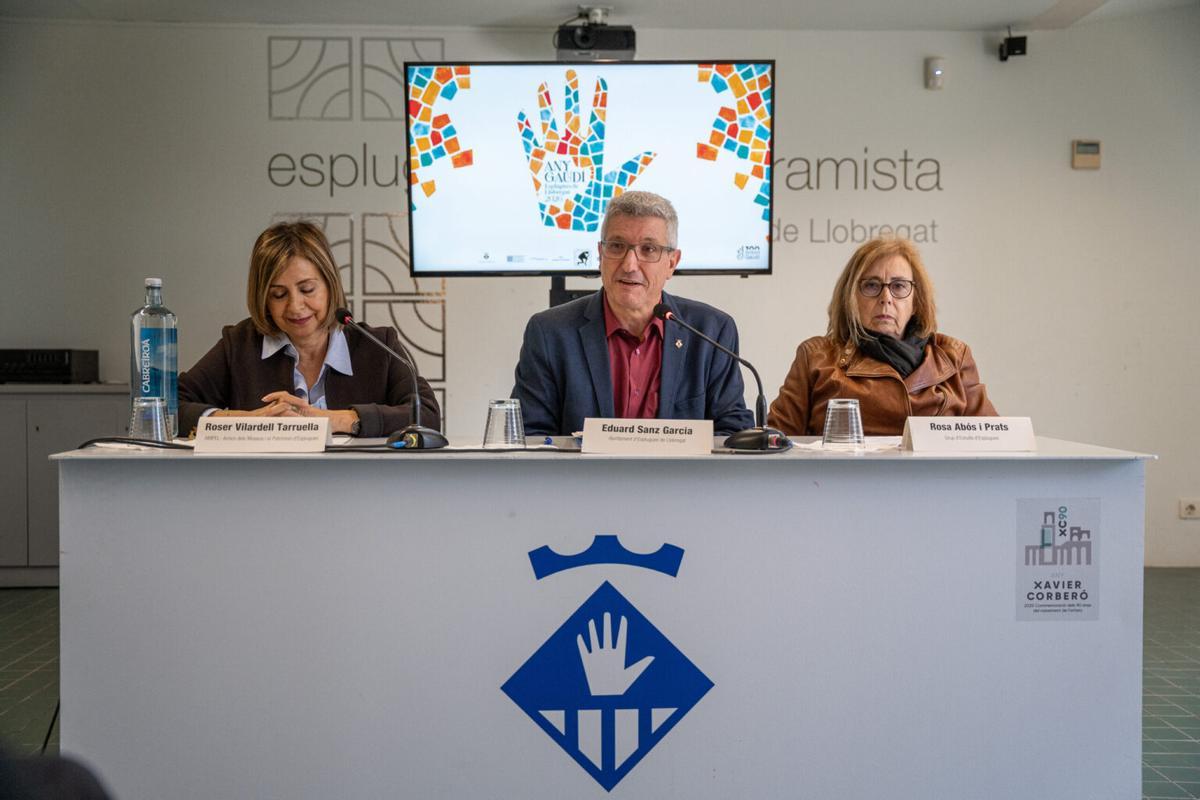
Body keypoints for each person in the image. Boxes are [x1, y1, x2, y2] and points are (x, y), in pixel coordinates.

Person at [511, 191, 754, 437]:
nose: (629, 265)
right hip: (584, 476)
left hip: (680, 476)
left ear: (672, 262)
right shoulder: (550, 332)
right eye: (617, 246)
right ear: (600, 254)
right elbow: (531, 437)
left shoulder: (710, 331)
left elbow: (732, 433)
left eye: (648, 249)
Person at [178, 221, 439, 437]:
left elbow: (426, 416)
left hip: (362, 491)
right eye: (279, 295)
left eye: (307, 290)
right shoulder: (240, 344)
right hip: (262, 492)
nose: (295, 306)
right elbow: (169, 407)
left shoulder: (377, 345)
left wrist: (334, 420)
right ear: (263, 299)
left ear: (329, 285)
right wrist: (249, 421)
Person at [768, 237, 996, 436]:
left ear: (916, 301)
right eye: (871, 285)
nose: (885, 297)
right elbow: (777, 445)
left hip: (939, 484)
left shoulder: (955, 356)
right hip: (839, 484)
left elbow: (993, 441)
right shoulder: (816, 357)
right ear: (851, 298)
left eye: (898, 286)